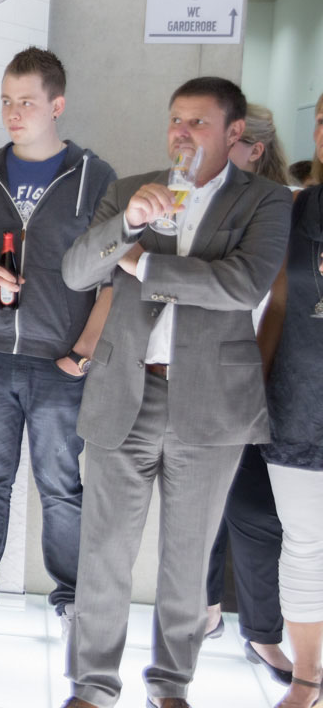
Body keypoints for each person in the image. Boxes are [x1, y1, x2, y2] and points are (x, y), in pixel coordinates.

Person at [59, 77, 292, 708]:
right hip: (123, 393)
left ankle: (170, 686)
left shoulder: (266, 201)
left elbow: (242, 285)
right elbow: (77, 271)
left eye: (198, 122)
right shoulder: (130, 190)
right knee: (103, 553)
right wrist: (128, 225)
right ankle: (92, 687)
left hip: (213, 404)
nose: (182, 133)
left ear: (234, 132)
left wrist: (143, 265)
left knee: (188, 562)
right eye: (175, 120)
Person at [0, 47, 116, 644]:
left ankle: (74, 604)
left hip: (61, 363)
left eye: (27, 102)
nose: (13, 112)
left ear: (57, 106)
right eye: (7, 101)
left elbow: (118, 279)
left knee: (61, 488)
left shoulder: (95, 178)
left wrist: (82, 354)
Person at [201, 103, 293, 685]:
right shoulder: (196, 197)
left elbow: (278, 302)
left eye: (224, 138)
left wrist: (258, 371)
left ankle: (262, 632)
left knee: (254, 510)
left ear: (252, 148)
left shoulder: (287, 204)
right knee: (200, 501)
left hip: (265, 374)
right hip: (202, 367)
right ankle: (206, 611)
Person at [257, 91, 323, 708]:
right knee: (304, 545)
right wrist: (256, 381)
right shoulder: (297, 208)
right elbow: (277, 303)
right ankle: (307, 680)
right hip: (300, 399)